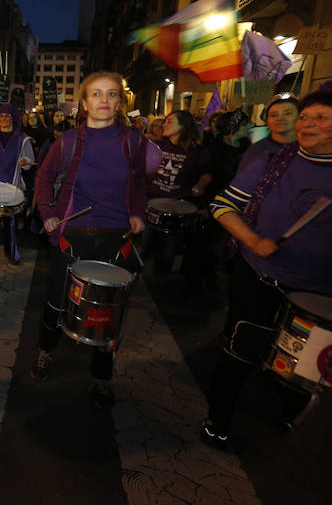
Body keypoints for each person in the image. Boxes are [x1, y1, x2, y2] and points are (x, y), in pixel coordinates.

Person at [201, 90, 332, 450]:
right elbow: (223, 205)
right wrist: (253, 239)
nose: (308, 124)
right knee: (240, 351)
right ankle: (219, 419)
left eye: (320, 118)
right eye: (306, 117)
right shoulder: (274, 161)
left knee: (303, 370)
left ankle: (286, 413)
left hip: (319, 295)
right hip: (260, 277)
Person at [32, 71, 148, 410]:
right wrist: (49, 213)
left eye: (111, 94)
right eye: (96, 94)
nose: (104, 101)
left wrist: (138, 212)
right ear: (84, 102)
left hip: (116, 238)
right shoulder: (66, 141)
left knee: (107, 311)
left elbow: (139, 183)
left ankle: (101, 376)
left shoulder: (134, 141)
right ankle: (45, 351)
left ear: (119, 102)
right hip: (73, 235)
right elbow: (43, 179)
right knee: (56, 301)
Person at [142, 110, 211, 283]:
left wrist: (200, 185)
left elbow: (207, 173)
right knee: (144, 242)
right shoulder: (157, 145)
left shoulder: (197, 150)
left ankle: (160, 278)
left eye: (170, 122)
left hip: (177, 205)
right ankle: (134, 274)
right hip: (152, 201)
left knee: (169, 246)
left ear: (183, 126)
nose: (165, 124)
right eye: (165, 121)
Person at [0, 101, 35, 266]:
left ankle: (11, 253)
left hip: (14, 188)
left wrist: (25, 162)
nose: (3, 119)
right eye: (1, 115)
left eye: (7, 116)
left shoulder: (23, 140)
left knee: (11, 225)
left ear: (13, 118)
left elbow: (29, 164)